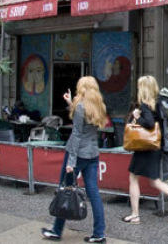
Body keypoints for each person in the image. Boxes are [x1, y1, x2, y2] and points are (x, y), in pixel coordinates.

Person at [122, 75, 168, 225]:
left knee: (135, 178)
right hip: (156, 147)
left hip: (145, 148)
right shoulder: (160, 103)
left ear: (143, 89)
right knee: (155, 181)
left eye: (139, 87)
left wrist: (137, 117)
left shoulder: (145, 105)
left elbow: (148, 123)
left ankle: (135, 215)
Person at [42, 76, 107, 243]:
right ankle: (99, 233)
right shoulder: (98, 106)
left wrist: (71, 163)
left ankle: (56, 230)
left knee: (64, 190)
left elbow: (77, 133)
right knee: (94, 193)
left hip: (77, 155)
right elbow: (85, 123)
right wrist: (71, 103)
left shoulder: (81, 107)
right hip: (92, 154)